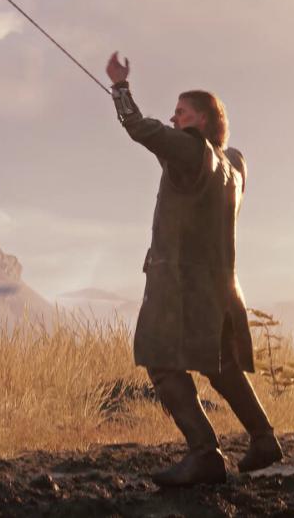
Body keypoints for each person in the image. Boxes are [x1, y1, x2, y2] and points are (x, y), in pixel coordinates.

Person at [104, 52, 283, 486]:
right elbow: (196, 162)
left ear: (202, 121)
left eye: (181, 112)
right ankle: (263, 439)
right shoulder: (234, 165)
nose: (173, 117)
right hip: (220, 286)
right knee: (220, 365)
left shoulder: (191, 150)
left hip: (180, 284)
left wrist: (120, 87)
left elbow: (141, 129)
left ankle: (205, 455)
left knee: (161, 361)